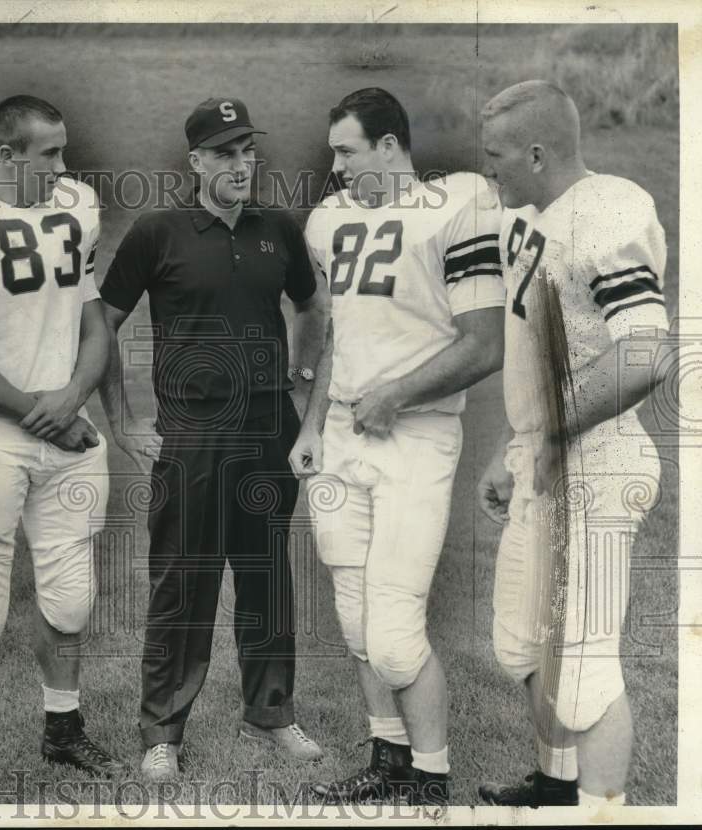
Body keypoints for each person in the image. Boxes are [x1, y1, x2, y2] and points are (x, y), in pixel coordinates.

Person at [99, 97, 330, 781]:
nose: (240, 164)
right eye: (224, 153)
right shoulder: (157, 232)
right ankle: (163, 730)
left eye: (247, 151)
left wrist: (296, 374)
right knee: (183, 580)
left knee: (265, 575)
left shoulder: (277, 230)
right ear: (195, 161)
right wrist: (121, 418)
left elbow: (312, 306)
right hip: (192, 432)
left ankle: (271, 714)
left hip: (268, 427)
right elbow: (100, 323)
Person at [291, 87, 506, 806]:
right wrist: (313, 422)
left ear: (390, 145)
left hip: (415, 435)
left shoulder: (458, 204)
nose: (336, 165)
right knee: (354, 614)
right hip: (345, 432)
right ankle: (387, 760)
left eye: (347, 150)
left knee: (392, 630)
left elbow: (485, 344)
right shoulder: (329, 219)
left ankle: (433, 777)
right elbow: (335, 333)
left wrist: (396, 394)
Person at [475, 80, 673, 808]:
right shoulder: (529, 215)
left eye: (495, 155)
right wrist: (514, 444)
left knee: (586, 668)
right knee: (520, 646)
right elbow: (542, 357)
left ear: (535, 152)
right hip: (548, 454)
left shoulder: (606, 211)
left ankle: (601, 812)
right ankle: (557, 788)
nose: (487, 168)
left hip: (598, 461)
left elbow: (645, 354)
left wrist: (554, 436)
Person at [0, 94, 120, 803]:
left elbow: (93, 319)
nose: (63, 167)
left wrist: (73, 397)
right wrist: (45, 415)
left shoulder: (77, 205)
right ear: (6, 157)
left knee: (72, 595)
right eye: (48, 154)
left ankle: (63, 728)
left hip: (65, 424)